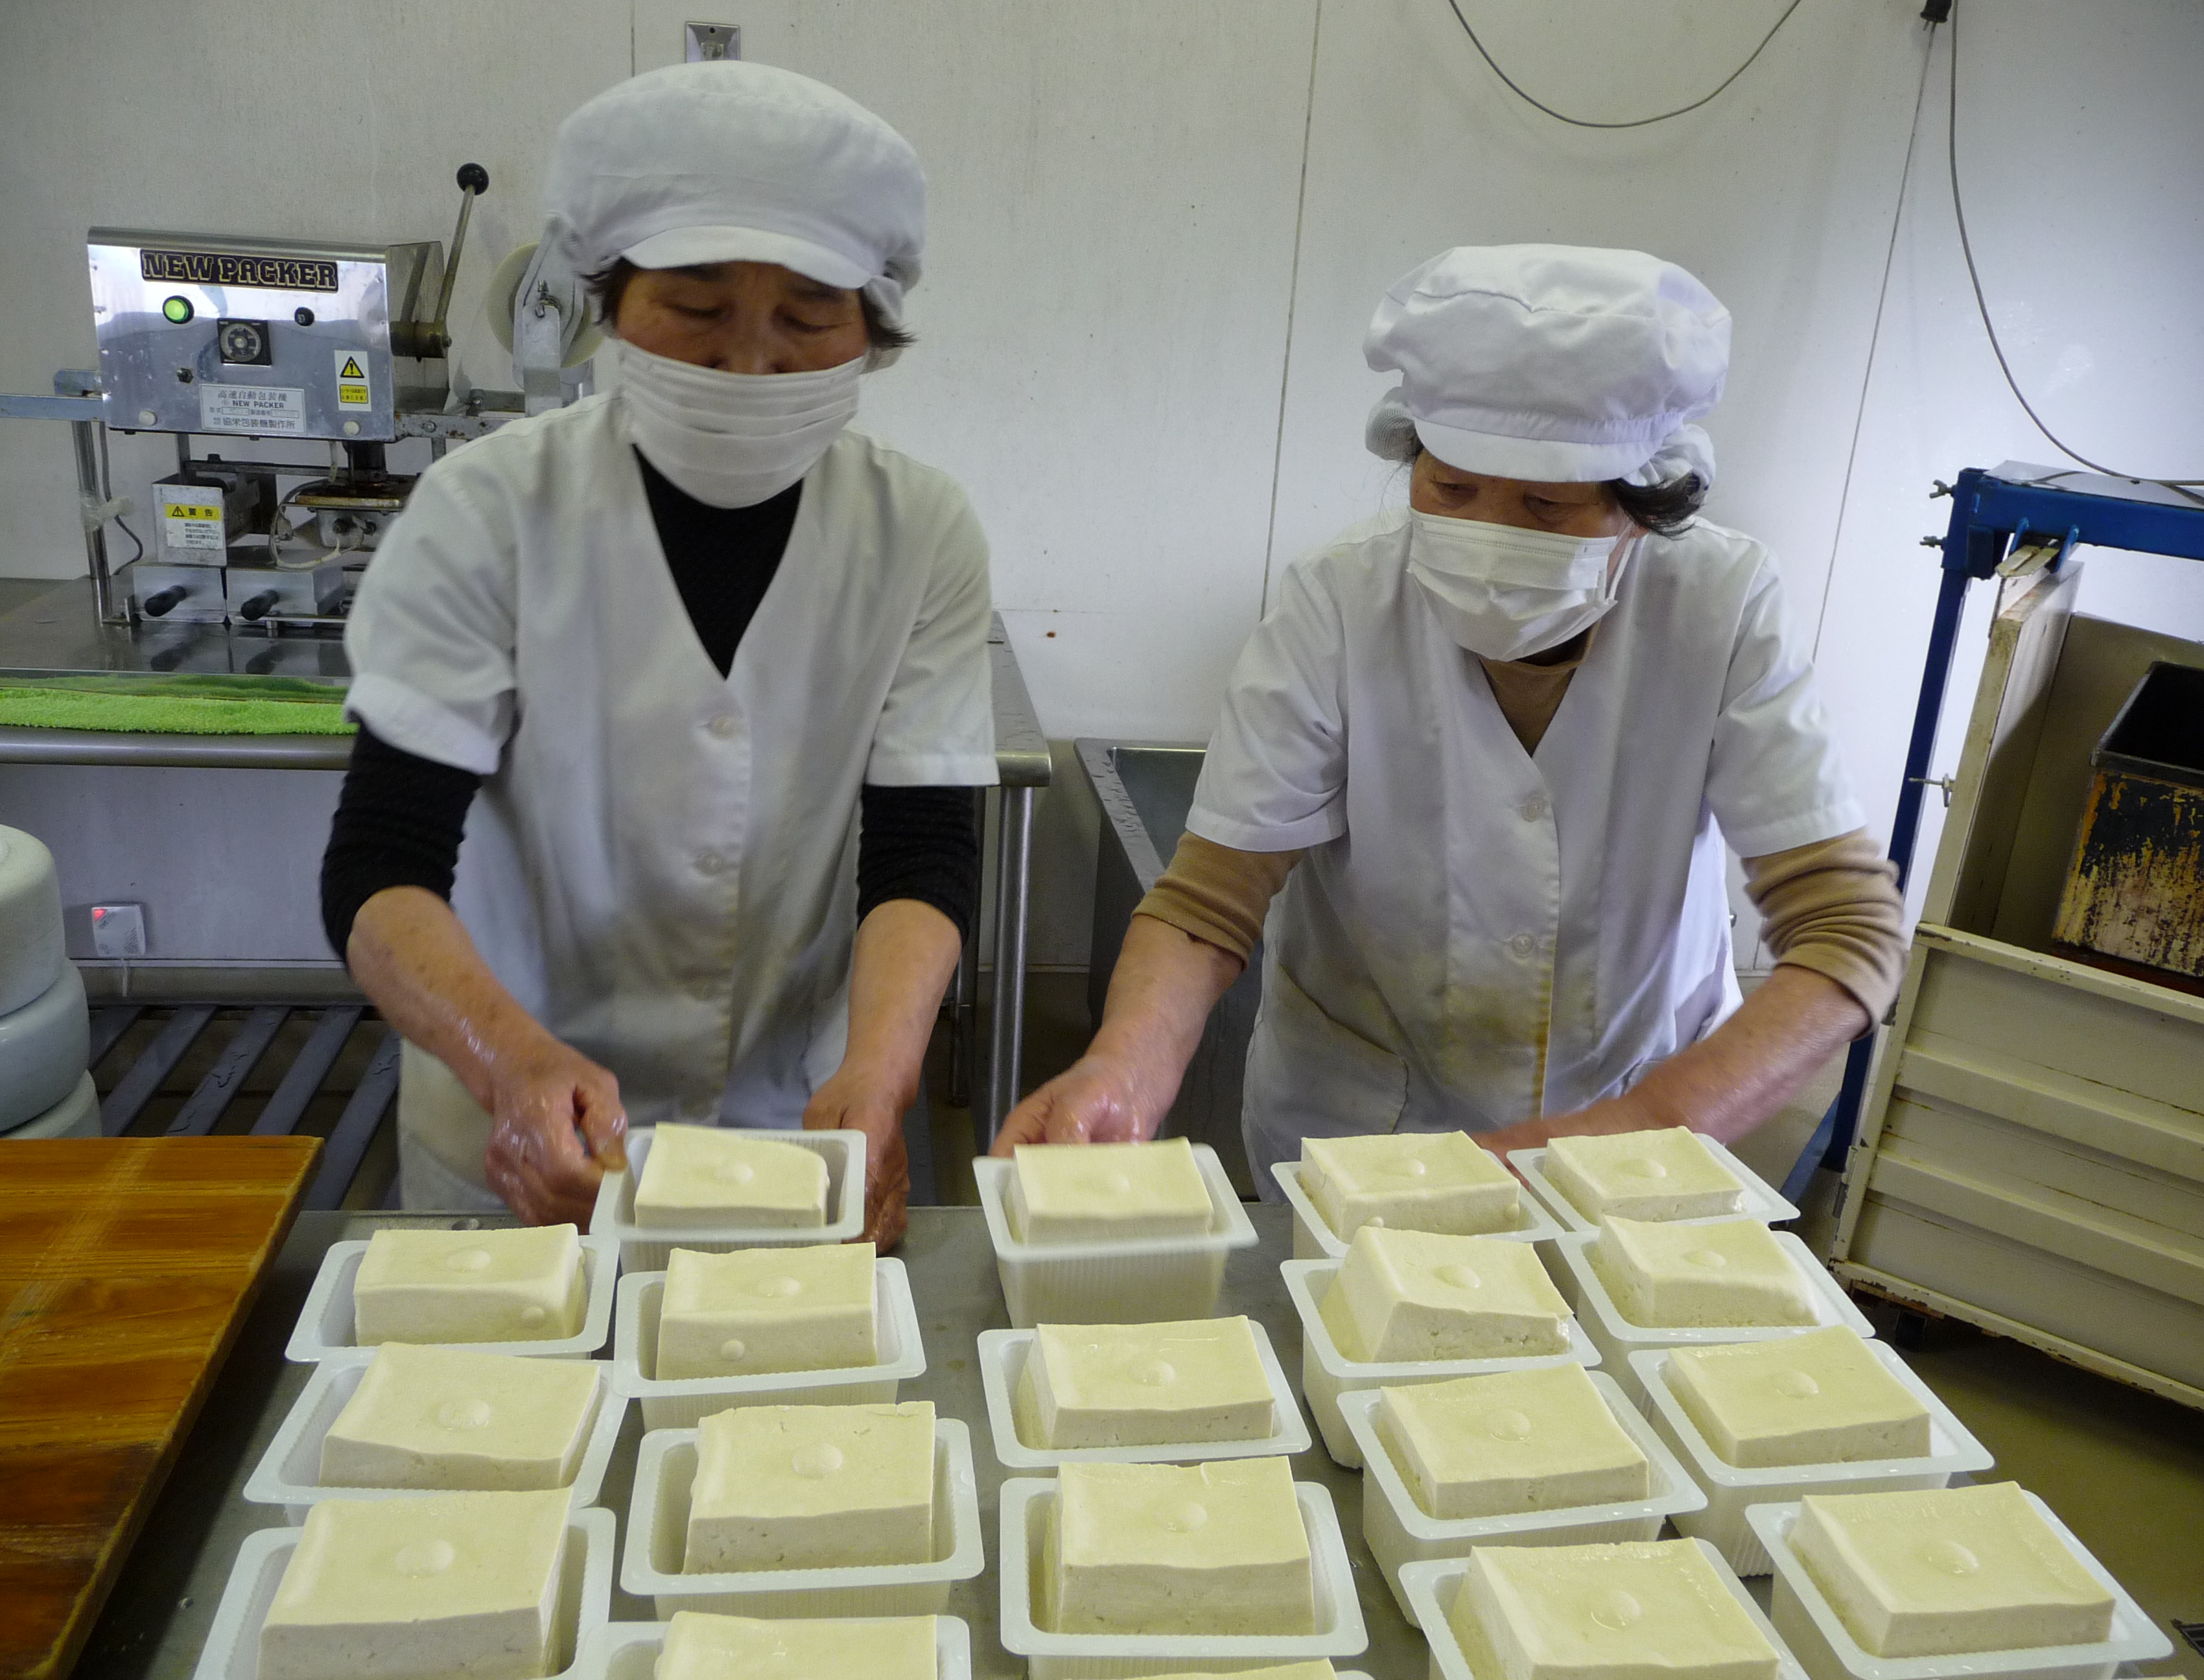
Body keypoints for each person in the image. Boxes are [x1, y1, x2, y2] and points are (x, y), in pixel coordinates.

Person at [994, 245, 1905, 1192]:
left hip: (1634, 1121)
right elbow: (1208, 903)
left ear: (1645, 504)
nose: (1490, 535)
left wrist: (1636, 1126)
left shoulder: (1720, 606)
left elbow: (1848, 930)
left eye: (1546, 506)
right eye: (1452, 489)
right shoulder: (1340, 602)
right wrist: (1125, 1067)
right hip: (1363, 1128)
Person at [322, 61, 996, 1245]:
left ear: (872, 329)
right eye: (696, 308)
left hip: (785, 1120)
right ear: (611, 300)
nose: (750, 362)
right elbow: (381, 863)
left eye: (807, 318)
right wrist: (510, 1063)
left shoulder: (919, 531)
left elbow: (922, 853)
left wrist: (880, 1072)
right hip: (514, 1124)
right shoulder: (487, 510)